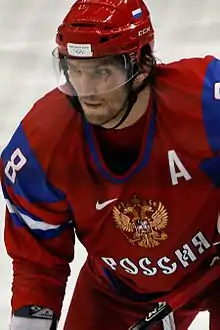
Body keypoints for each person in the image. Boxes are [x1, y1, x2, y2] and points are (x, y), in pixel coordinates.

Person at [1, 0, 220, 329]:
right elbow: (38, 265)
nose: (86, 90)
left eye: (102, 72)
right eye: (75, 70)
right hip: (122, 292)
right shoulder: (40, 145)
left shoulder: (205, 101)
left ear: (142, 66)